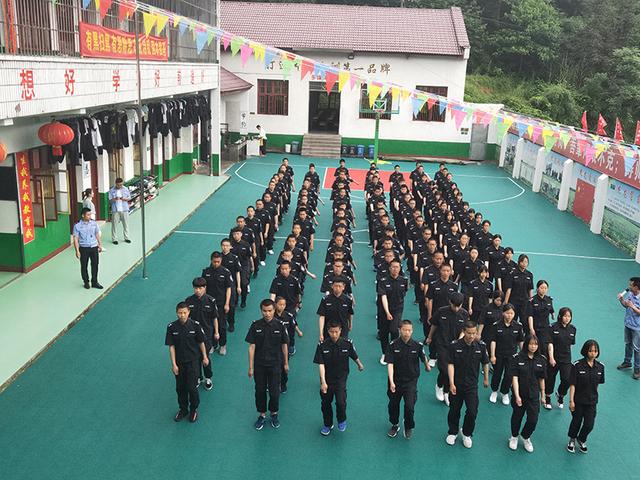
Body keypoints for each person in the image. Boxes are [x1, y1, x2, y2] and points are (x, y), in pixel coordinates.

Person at [246, 299, 289, 430]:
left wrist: (286, 363)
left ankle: (274, 413)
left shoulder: (280, 326)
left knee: (275, 392)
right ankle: (262, 414)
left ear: (274, 310)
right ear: (261, 311)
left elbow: (284, 345)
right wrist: (251, 367)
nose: (267, 314)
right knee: (260, 391)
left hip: (275, 364)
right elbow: (251, 347)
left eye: (270, 311)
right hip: (260, 365)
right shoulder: (255, 326)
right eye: (264, 311)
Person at [314, 322, 364, 435]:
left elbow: (353, 355)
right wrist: (323, 382)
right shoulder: (322, 345)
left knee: (341, 402)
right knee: (326, 403)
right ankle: (327, 424)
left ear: (340, 331)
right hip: (327, 379)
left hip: (341, 379)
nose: (334, 334)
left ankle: (341, 420)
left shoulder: (347, 344)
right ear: (328, 331)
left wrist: (359, 364)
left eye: (336, 332)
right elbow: (321, 364)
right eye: (332, 332)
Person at [446, 321, 490, 448]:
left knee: (472, 411)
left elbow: (485, 363)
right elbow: (450, 364)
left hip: (471, 386)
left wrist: (486, 379)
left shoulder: (481, 346)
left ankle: (466, 433)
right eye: (469, 333)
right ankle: (453, 432)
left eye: (474, 333)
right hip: (457, 385)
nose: (471, 336)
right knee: (454, 410)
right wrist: (451, 383)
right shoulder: (454, 346)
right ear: (464, 332)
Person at [165, 302, 209, 423]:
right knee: (180, 388)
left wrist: (205, 357)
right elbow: (171, 347)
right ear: (176, 313)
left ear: (189, 312)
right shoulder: (171, 327)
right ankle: (183, 409)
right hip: (179, 363)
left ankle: (193, 409)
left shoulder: (195, 326)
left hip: (193, 362)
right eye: (180, 313)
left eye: (184, 312)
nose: (182, 315)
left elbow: (201, 342)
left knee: (191, 388)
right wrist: (174, 364)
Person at [386, 320, 430, 439]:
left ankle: (408, 426)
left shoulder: (417, 345)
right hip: (395, 381)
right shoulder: (392, 345)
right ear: (399, 330)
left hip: (410, 382)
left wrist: (427, 366)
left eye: (409, 330)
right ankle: (395, 424)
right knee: (393, 405)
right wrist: (391, 381)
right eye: (404, 330)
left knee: (410, 407)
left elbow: (423, 356)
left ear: (412, 331)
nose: (407, 332)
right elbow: (390, 364)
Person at [426, 292, 468, 406]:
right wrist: (429, 337)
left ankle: (446, 391)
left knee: (453, 370)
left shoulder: (464, 314)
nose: (456, 308)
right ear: (450, 302)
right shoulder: (441, 311)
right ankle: (441, 387)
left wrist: (459, 340)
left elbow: (464, 330)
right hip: (442, 345)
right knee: (445, 369)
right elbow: (434, 325)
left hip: (456, 346)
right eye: (454, 306)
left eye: (459, 306)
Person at [509, 334, 547, 452]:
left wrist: (543, 395)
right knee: (517, 417)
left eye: (535, 344)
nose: (533, 347)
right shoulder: (517, 358)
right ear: (526, 344)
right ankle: (514, 436)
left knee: (533, 420)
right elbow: (514, 377)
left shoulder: (542, 360)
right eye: (531, 344)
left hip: (534, 395)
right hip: (520, 394)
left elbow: (541, 379)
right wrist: (517, 395)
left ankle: (525, 436)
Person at [567, 339, 605, 454]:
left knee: (589, 424)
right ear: (585, 351)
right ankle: (572, 439)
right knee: (576, 422)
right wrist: (571, 401)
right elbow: (573, 384)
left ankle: (581, 439)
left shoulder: (600, 367)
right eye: (590, 351)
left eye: (595, 351)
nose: (593, 353)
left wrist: (595, 396)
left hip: (592, 402)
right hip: (578, 400)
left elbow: (597, 384)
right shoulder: (577, 365)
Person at [185, 277, 220, 390]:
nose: (198, 290)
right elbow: (186, 318)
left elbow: (214, 318)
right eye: (196, 288)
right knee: (195, 357)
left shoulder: (211, 301)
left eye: (200, 288)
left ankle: (208, 377)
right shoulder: (189, 301)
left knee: (205, 357)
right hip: (193, 335)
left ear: (205, 288)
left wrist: (216, 332)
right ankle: (198, 377)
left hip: (206, 335)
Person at [488, 304, 524, 405]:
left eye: (512, 313)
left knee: (509, 375)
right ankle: (494, 391)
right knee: (497, 374)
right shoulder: (496, 325)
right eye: (507, 313)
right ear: (503, 313)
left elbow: (520, 341)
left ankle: (504, 393)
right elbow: (493, 341)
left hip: (512, 356)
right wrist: (492, 355)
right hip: (499, 355)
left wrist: (522, 354)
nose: (509, 315)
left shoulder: (518, 326)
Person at [377, 259, 409, 365]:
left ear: (400, 268)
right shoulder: (383, 281)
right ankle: (384, 353)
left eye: (397, 267)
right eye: (393, 267)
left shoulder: (404, 280)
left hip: (398, 309)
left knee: (394, 329)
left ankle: (394, 351)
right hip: (384, 310)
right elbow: (383, 297)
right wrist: (387, 312)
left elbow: (404, 293)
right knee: (384, 332)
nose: (395, 269)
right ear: (389, 268)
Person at [545, 307, 576, 409]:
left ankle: (560, 394)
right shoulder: (552, 327)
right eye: (565, 316)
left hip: (566, 359)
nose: (567, 318)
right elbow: (550, 344)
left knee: (567, 379)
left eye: (569, 316)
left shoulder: (573, 329)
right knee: (550, 378)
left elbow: (570, 345)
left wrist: (569, 358)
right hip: (554, 357)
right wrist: (551, 358)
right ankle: (547, 397)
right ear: (560, 316)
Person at [72, 207, 103, 289]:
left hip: (94, 247)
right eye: (88, 215)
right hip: (84, 248)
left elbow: (97, 234)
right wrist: (77, 251)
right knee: (84, 266)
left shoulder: (94, 223)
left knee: (95, 265)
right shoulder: (77, 226)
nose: (90, 216)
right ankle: (86, 282)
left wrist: (100, 244)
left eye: (90, 214)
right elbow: (75, 239)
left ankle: (94, 282)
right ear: (83, 215)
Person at [617, 277, 640, 379]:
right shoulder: (630, 294)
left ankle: (637, 369)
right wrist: (621, 300)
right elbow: (626, 305)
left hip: (637, 328)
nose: (629, 286)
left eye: (631, 285)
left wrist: (632, 306)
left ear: (636, 287)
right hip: (628, 324)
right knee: (628, 344)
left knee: (637, 349)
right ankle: (627, 362)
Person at [108, 177, 131, 245]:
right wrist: (115, 199)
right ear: (116, 184)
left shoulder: (125, 189)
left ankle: (126, 237)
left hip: (124, 209)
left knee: (126, 224)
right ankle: (114, 239)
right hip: (115, 210)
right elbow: (110, 200)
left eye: (121, 184)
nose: (120, 186)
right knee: (114, 225)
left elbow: (129, 198)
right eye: (118, 185)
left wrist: (124, 199)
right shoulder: (111, 190)